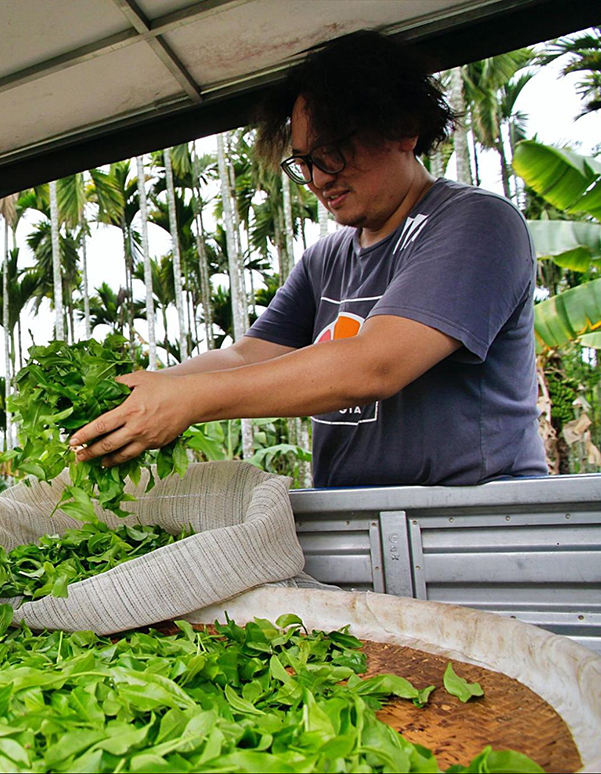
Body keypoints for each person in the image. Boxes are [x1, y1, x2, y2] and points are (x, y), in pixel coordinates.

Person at [70, 31, 546, 487]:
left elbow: (373, 365)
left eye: (332, 153)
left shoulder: (474, 223)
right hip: (357, 522)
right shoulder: (328, 258)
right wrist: (134, 392)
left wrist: (190, 400)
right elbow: (246, 355)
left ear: (403, 128)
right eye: (304, 162)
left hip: (473, 525)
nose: (318, 179)